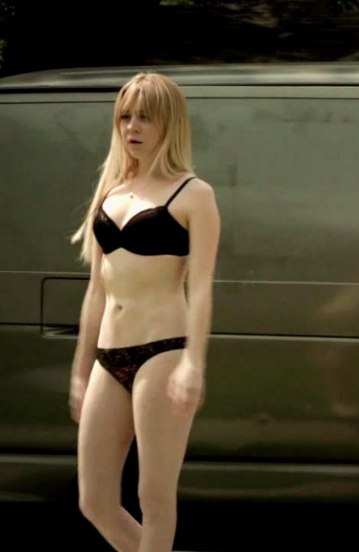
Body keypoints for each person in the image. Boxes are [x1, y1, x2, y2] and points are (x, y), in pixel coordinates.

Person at [68, 72, 220, 552]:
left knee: (153, 497)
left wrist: (193, 362)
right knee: (94, 501)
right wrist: (80, 370)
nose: (132, 127)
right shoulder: (111, 190)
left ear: (168, 123)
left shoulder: (194, 194)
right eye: (125, 117)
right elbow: (96, 291)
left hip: (163, 352)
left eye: (145, 117)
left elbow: (201, 287)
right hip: (108, 357)